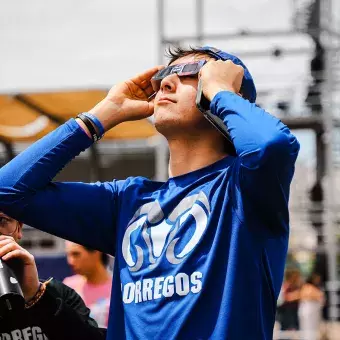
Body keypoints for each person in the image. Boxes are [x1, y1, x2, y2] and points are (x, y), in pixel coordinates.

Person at [0, 45, 300, 339]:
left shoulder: (246, 189)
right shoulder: (126, 201)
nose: (166, 83)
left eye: (190, 73)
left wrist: (222, 90)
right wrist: (102, 115)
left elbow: (271, 145)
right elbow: (8, 190)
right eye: (165, 75)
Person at [0, 212, 107, 340]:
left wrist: (37, 296)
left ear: (19, 228)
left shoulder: (57, 292)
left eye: (2, 220)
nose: (70, 261)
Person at [64, 241, 112, 327]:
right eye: (68, 255)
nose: (70, 261)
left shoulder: (119, 289)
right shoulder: (68, 286)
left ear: (97, 251)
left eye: (76, 254)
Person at [298, 272, 325, 340]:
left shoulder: (314, 287)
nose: (318, 280)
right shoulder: (307, 287)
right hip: (309, 310)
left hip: (312, 310)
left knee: (312, 328)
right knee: (308, 328)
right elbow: (307, 295)